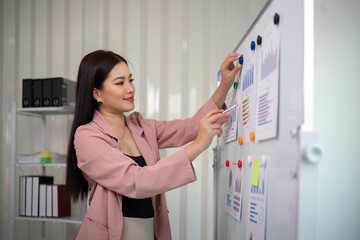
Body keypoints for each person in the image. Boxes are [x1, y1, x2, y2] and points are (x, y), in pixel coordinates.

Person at [66, 50, 241, 240]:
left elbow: (189, 127)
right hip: (113, 233)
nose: (130, 88)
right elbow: (136, 180)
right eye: (120, 83)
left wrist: (224, 85)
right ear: (97, 93)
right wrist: (198, 146)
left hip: (150, 230)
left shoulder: (142, 127)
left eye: (130, 80)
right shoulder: (87, 136)